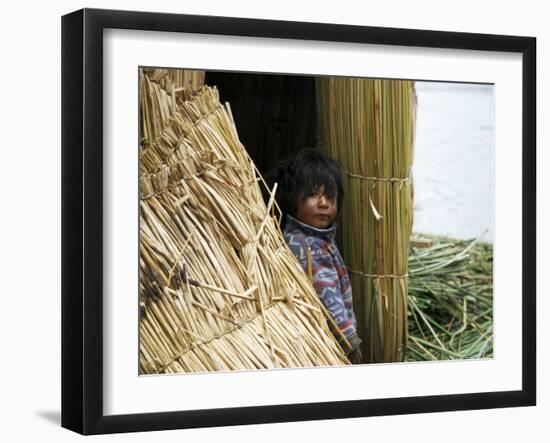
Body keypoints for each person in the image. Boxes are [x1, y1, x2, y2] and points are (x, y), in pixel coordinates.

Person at [269, 148, 362, 364]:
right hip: (329, 338)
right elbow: (327, 294)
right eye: (313, 195)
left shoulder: (316, 238)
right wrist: (349, 340)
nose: (324, 204)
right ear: (293, 200)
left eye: (330, 196)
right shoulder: (307, 245)